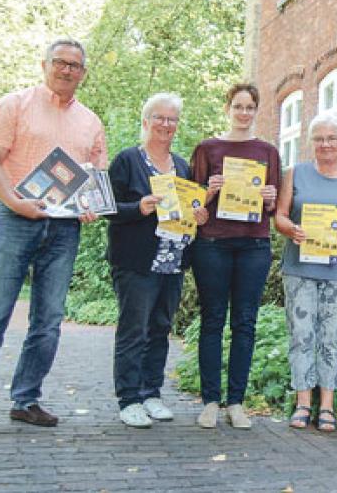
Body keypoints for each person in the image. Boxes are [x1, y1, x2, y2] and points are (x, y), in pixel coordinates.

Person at [0, 39, 108, 439]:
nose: (68, 70)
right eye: (61, 62)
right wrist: (15, 202)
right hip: (17, 219)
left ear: (84, 73)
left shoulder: (90, 122)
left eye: (76, 65)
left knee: (49, 321)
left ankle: (25, 399)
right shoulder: (15, 105)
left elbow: (96, 180)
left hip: (64, 227)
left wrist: (91, 205)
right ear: (45, 65)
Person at [107, 93, 209, 428]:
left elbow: (189, 211)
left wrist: (200, 214)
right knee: (134, 330)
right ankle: (129, 399)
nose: (166, 124)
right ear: (146, 121)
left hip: (173, 260)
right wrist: (138, 208)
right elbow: (107, 208)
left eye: (172, 119)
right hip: (137, 261)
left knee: (160, 329)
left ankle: (151, 393)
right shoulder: (127, 161)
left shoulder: (182, 166)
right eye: (160, 118)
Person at [190, 84, 281, 429]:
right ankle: (211, 400)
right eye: (238, 106)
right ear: (227, 108)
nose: (244, 113)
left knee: (245, 323)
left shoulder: (267, 152)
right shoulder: (207, 148)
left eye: (250, 107)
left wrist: (270, 197)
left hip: (253, 245)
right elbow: (192, 204)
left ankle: (236, 403)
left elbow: (273, 205)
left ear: (256, 111)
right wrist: (207, 192)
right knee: (213, 320)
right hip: (213, 243)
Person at [274, 114, 337, 432]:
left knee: (332, 336)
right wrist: (293, 230)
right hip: (299, 268)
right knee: (301, 335)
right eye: (318, 138)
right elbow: (280, 217)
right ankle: (303, 402)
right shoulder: (295, 173)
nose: (325, 144)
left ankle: (326, 405)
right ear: (311, 142)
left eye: (331, 138)